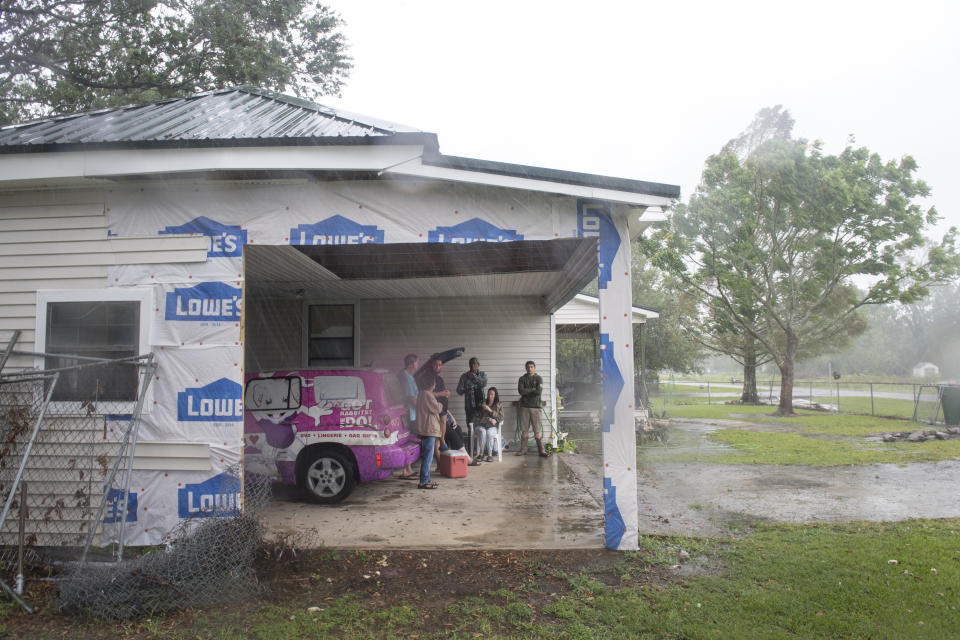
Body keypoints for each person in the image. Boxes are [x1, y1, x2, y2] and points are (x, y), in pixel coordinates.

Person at [415, 373, 444, 489]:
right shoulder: (427, 394)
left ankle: (426, 479)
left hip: (426, 429)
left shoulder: (421, 394)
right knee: (428, 456)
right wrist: (441, 404)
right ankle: (423, 481)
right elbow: (436, 408)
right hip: (429, 429)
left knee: (428, 456)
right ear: (431, 384)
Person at [517, 360, 549, 457]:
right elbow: (521, 391)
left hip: (536, 407)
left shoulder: (539, 378)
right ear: (525, 368)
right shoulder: (522, 379)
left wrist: (529, 391)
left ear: (534, 368)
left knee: (537, 431)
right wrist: (532, 389)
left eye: (531, 367)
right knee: (524, 431)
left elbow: (538, 392)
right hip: (525, 407)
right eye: (528, 367)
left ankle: (541, 451)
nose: (530, 368)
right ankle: (523, 450)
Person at [396, 353, 420, 480]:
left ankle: (408, 468)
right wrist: (422, 409)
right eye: (417, 362)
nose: (418, 364)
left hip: (410, 413)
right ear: (412, 363)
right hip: (409, 414)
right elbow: (411, 398)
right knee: (408, 441)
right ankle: (405, 470)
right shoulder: (405, 377)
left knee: (409, 440)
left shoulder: (407, 375)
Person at [456, 356, 488, 427]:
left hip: (481, 404)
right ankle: (471, 438)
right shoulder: (464, 376)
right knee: (470, 425)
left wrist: (474, 377)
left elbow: (483, 384)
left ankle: (480, 438)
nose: (472, 365)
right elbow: (458, 390)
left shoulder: (483, 374)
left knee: (482, 425)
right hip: (469, 406)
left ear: (478, 365)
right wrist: (466, 391)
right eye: (470, 363)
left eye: (474, 363)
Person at [475, 386, 503, 462]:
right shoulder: (482, 403)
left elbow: (501, 418)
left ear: (495, 395)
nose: (490, 396)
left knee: (489, 433)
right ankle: (481, 454)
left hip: (492, 426)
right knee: (483, 432)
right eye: (489, 394)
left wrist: (490, 411)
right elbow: (477, 418)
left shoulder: (498, 405)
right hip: (481, 425)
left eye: (492, 394)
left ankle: (490, 455)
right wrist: (489, 419)